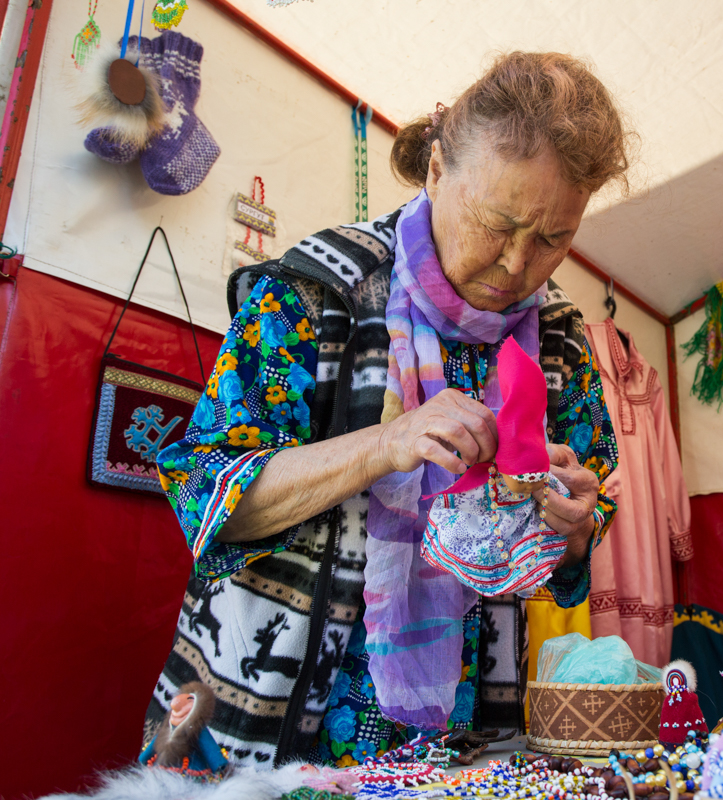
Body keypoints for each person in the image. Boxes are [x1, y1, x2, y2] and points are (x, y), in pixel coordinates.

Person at [148, 51, 632, 768]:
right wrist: (384, 444)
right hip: (268, 724)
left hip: (463, 738)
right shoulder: (316, 294)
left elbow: (583, 521)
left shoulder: (558, 339)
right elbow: (205, 492)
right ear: (436, 172)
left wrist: (574, 525)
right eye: (497, 223)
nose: (515, 264)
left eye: (553, 239)